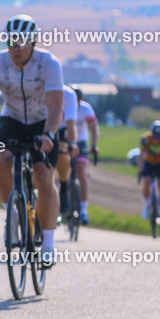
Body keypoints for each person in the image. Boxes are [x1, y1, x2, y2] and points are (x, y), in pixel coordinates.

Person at [0, 14, 64, 266]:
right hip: (12, 120)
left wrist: (49, 134)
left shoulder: (49, 63)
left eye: (22, 42)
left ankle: (48, 244)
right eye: (11, 41)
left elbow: (56, 105)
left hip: (42, 121)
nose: (16, 47)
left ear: (33, 41)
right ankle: (13, 213)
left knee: (44, 176)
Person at [73, 87, 99, 224]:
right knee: (59, 173)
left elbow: (93, 128)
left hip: (81, 142)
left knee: (81, 172)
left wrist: (94, 145)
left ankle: (83, 210)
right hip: (67, 141)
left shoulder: (85, 108)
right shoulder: (64, 106)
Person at [138, 120, 160, 224]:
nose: (157, 138)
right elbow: (141, 155)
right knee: (146, 181)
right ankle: (146, 206)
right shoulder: (146, 139)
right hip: (149, 163)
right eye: (155, 135)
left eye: (159, 135)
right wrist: (141, 169)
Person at [56, 84, 80, 219]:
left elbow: (71, 125)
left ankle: (64, 186)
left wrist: (72, 144)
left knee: (62, 151)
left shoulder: (68, 94)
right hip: (42, 125)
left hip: (61, 128)